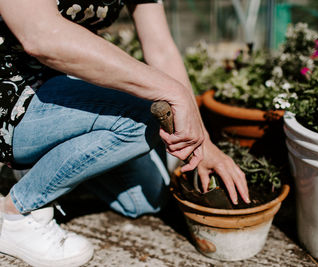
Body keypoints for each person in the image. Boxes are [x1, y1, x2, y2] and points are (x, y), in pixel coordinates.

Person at [0, 0, 250, 266]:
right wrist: (173, 92)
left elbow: (161, 49)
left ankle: (40, 157)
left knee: (145, 201)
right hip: (13, 93)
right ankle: (16, 214)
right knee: (146, 117)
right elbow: (40, 35)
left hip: (65, 85)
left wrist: (204, 144)